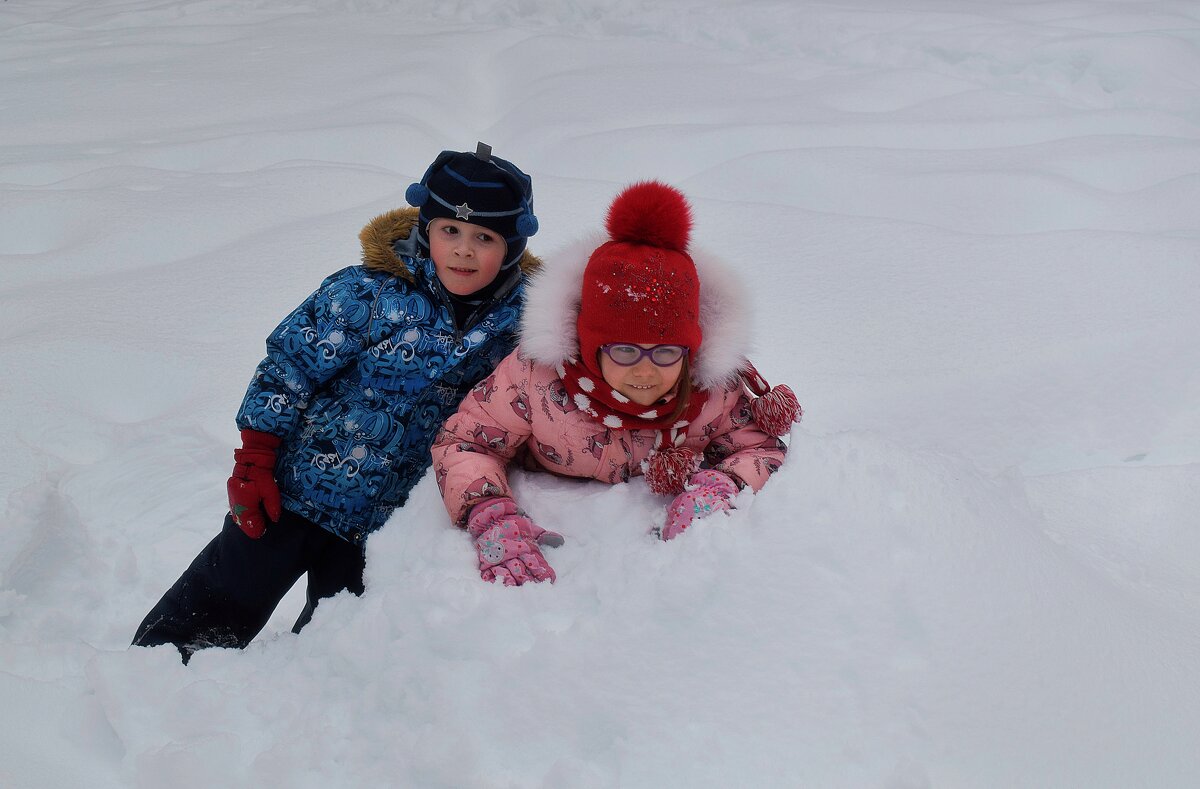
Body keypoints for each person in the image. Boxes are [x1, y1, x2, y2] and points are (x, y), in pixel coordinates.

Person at [133, 143, 540, 660]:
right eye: (449, 231)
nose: (463, 250)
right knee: (226, 591)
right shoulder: (368, 293)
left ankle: (292, 710)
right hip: (295, 493)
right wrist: (254, 457)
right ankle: (151, 669)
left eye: (484, 237)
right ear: (426, 227)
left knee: (334, 645)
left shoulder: (521, 325)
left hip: (387, 525)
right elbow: (289, 367)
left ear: (513, 247)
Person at [431, 180, 801, 585]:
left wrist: (718, 486)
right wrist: (490, 513)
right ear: (590, 348)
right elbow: (466, 442)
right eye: (624, 352)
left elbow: (759, 447)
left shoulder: (711, 393)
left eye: (665, 353)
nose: (645, 371)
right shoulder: (535, 380)